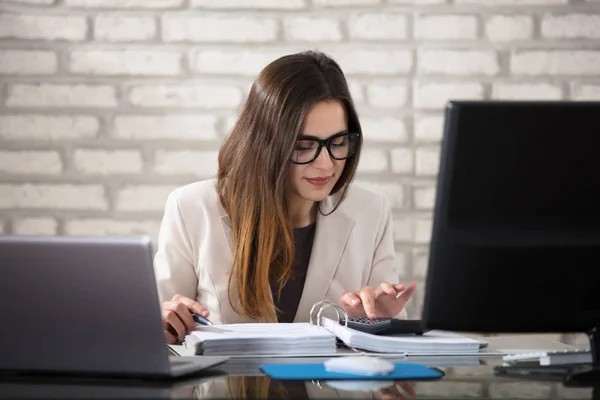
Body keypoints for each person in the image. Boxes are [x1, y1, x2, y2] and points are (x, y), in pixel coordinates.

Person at [154, 50, 417, 344]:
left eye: (339, 143)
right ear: (264, 143)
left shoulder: (371, 212)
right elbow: (157, 329)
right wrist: (162, 322)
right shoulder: (191, 208)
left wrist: (379, 323)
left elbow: (394, 352)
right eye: (304, 146)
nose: (326, 164)